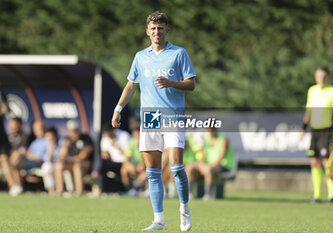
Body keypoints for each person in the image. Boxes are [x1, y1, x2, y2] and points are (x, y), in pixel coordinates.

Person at [111, 12, 196, 231]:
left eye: (161, 28)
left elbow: (191, 84)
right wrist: (118, 108)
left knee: (176, 167)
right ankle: (159, 220)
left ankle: (184, 209)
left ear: (167, 30)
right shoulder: (140, 56)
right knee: (152, 172)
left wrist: (171, 83)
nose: (157, 32)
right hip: (150, 117)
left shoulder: (179, 53)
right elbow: (131, 85)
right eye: (153, 28)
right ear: (147, 31)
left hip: (173, 115)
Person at [300, 66, 333, 204]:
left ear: (328, 77)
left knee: (327, 162)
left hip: (327, 131)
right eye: (319, 76)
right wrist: (303, 128)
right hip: (315, 130)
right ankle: (317, 195)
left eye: (324, 76)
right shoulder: (312, 91)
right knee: (314, 162)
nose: (321, 79)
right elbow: (309, 111)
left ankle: (332, 195)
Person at [187, 128, 234, 200]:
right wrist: (202, 164)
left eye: (212, 129)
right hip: (208, 166)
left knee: (209, 169)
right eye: (208, 129)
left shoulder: (223, 139)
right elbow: (203, 156)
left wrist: (206, 167)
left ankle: (208, 194)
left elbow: (220, 159)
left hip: (224, 165)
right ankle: (189, 194)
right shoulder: (206, 139)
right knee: (190, 167)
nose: (210, 131)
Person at [55, 120, 93, 196]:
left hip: (85, 164)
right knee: (59, 166)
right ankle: (59, 190)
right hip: (72, 163)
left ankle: (79, 191)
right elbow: (62, 157)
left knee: (77, 166)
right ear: (68, 131)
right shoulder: (67, 140)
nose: (75, 133)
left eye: (76, 130)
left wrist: (69, 159)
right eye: (72, 131)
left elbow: (83, 156)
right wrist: (65, 147)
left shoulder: (86, 138)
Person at [0, 90, 22, 196]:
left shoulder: (2, 95)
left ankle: (13, 185)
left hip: (1, 134)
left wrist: (4, 108)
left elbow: (7, 110)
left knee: (5, 159)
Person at [8, 117, 28, 189]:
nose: (14, 127)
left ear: (20, 125)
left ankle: (15, 186)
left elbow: (23, 150)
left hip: (24, 160)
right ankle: (18, 186)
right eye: (12, 125)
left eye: (16, 125)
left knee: (16, 156)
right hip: (12, 160)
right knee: (14, 164)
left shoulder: (25, 136)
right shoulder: (8, 137)